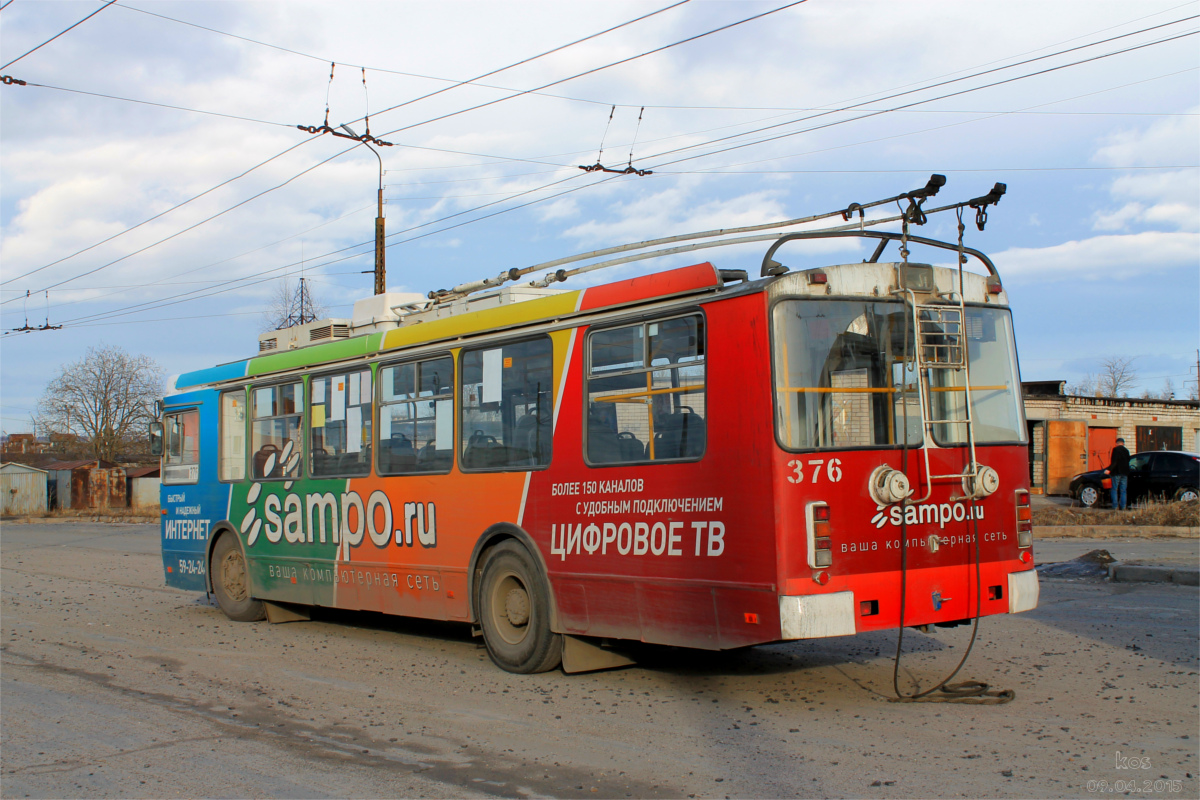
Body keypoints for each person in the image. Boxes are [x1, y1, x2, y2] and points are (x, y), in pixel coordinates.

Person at [1104, 437, 1131, 510]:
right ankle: (1123, 506)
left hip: (1116, 472)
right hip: (1125, 473)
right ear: (1123, 443)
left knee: (1114, 489)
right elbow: (1128, 460)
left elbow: (1114, 462)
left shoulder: (1115, 450)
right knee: (1123, 490)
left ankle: (1115, 506)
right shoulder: (1126, 451)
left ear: (1117, 443)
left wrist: (1109, 469)